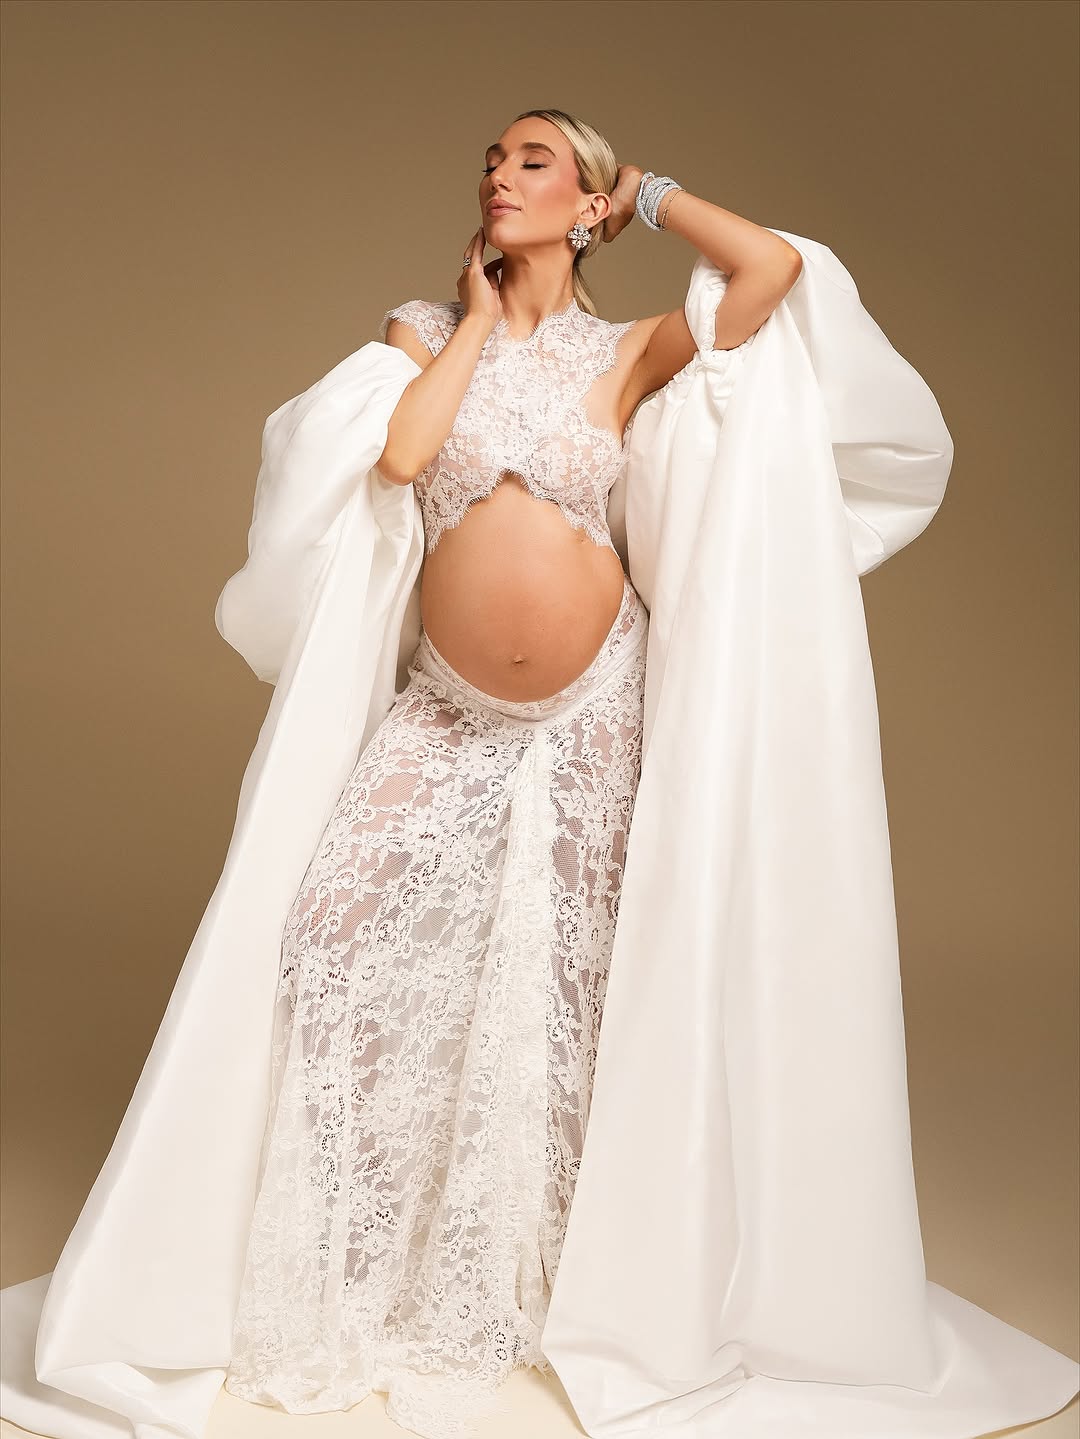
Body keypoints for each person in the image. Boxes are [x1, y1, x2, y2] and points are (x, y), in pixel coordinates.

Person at [2, 107, 1077, 1439]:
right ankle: (366, 1256)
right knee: (332, 927)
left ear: (587, 203)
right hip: (448, 710)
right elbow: (405, 456)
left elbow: (772, 271)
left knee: (570, 980)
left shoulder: (627, 354)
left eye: (533, 162)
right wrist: (469, 319)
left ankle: (554, 1283)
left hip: (597, 707)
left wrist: (654, 192)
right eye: (490, 161)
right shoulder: (418, 329)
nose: (497, 178)